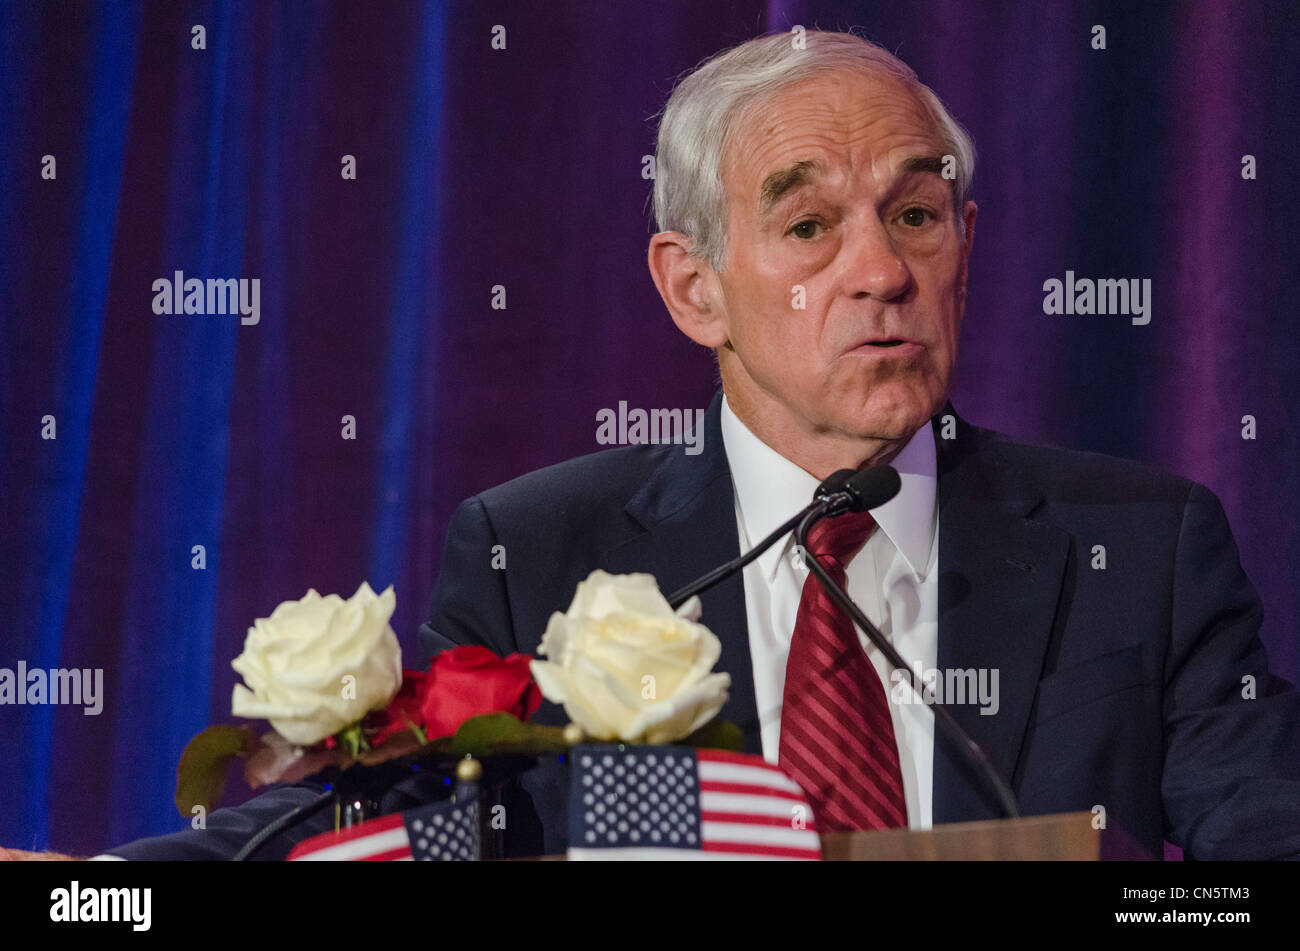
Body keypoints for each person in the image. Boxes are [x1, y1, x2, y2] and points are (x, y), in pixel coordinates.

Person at [8, 28, 1298, 862]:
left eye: (917, 212)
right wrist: (98, 898)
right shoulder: (539, 552)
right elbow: (400, 833)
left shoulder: (1141, 544)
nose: (884, 272)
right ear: (693, 289)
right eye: (808, 227)